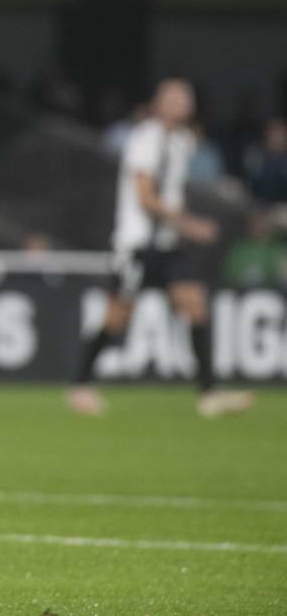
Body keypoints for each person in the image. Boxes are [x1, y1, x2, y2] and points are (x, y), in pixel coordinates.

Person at [67, 79, 254, 419]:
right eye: (171, 99)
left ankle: (209, 394)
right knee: (117, 317)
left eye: (184, 99)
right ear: (157, 104)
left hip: (168, 246)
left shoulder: (181, 141)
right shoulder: (144, 139)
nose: (178, 104)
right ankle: (80, 385)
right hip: (137, 245)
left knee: (195, 305)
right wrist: (188, 223)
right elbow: (145, 197)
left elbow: (171, 185)